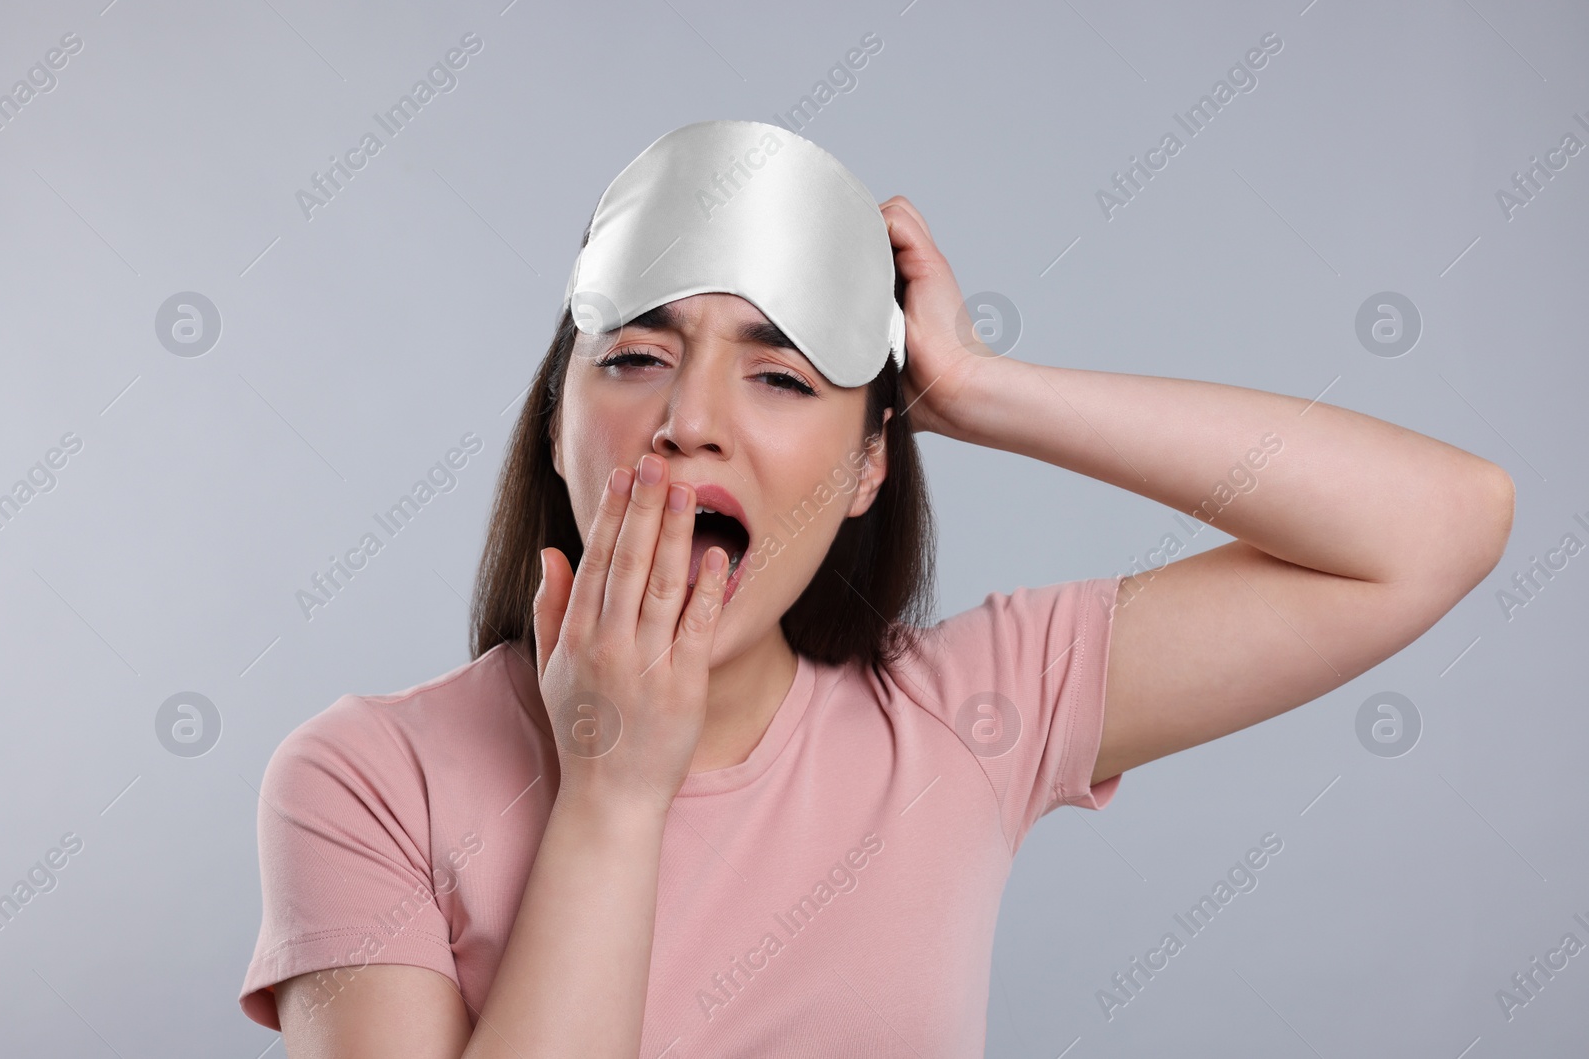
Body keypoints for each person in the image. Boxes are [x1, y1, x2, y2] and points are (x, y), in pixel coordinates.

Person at [238, 185, 1514, 1055]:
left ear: (865, 472)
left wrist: (981, 387)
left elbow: (1438, 524)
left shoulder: (963, 715)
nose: (690, 415)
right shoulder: (363, 779)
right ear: (558, 425)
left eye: (784, 373)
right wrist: (613, 795)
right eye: (633, 355)